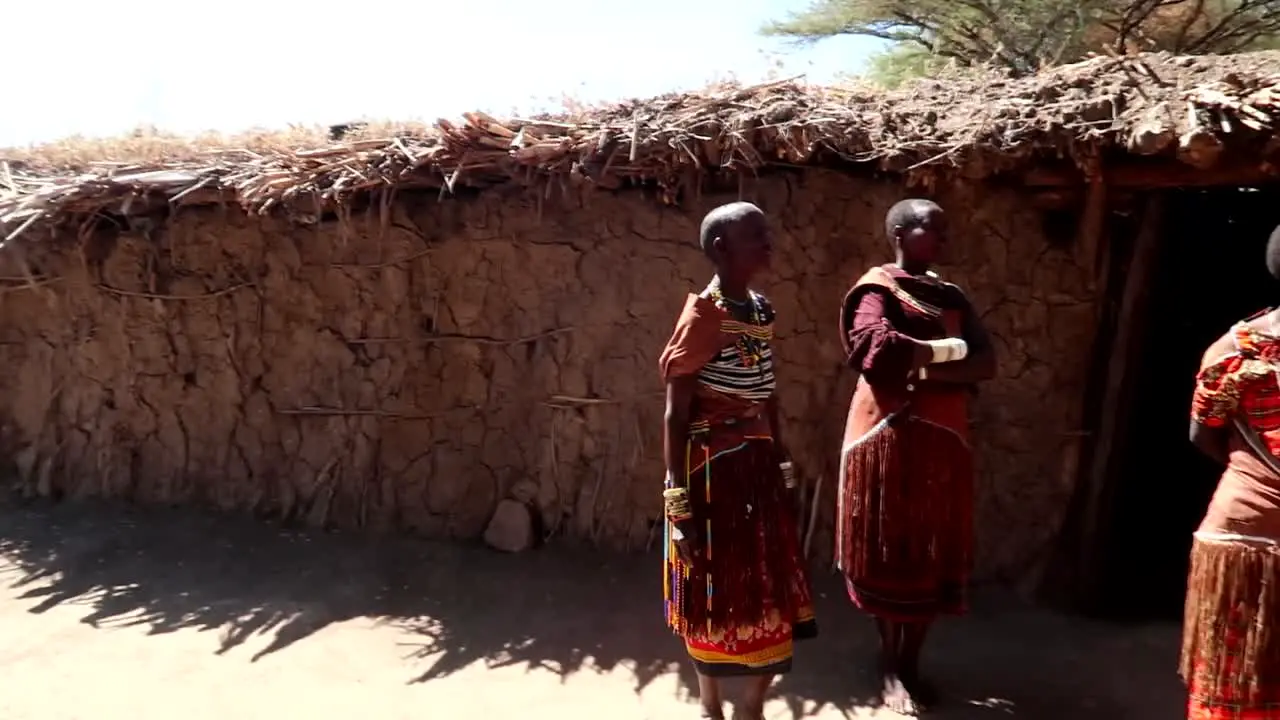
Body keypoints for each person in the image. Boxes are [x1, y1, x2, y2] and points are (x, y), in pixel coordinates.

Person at [836, 198, 996, 715]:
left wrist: (922, 369)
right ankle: (891, 664)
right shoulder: (877, 289)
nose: (945, 238)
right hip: (887, 439)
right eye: (934, 228)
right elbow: (873, 348)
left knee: (930, 553)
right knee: (889, 550)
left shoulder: (951, 295)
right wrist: (950, 353)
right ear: (901, 234)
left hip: (943, 443)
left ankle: (911, 663)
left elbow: (986, 362)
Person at [659, 201, 818, 720]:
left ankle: (752, 706)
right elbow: (675, 417)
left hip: (756, 463)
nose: (768, 242)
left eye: (767, 231)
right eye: (756, 235)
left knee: (766, 583)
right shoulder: (704, 317)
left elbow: (767, 393)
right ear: (721, 249)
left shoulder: (759, 310)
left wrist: (782, 459)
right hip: (712, 473)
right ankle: (710, 704)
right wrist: (677, 505)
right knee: (713, 584)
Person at [1183, 225, 1280, 720]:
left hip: (1241, 525)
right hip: (1247, 541)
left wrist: (1253, 477)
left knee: (1235, 674)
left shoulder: (1233, 347)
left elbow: (1203, 435)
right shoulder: (1240, 351)